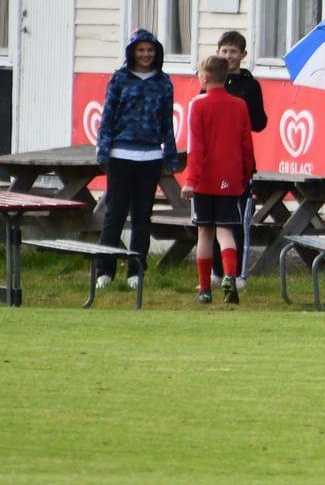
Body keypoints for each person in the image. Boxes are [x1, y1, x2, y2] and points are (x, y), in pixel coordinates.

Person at [94, 29, 178, 291]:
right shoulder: (119, 79)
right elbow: (108, 116)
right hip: (121, 154)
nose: (145, 55)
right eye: (140, 50)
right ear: (132, 52)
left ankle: (136, 271)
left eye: (150, 50)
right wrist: (103, 149)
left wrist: (170, 154)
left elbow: (167, 122)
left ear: (157, 53)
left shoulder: (164, 82)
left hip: (151, 156)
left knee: (142, 216)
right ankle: (105, 271)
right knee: (115, 214)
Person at [181, 56, 256, 305]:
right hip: (230, 178)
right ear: (226, 77)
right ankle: (230, 277)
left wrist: (190, 180)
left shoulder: (197, 105)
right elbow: (247, 144)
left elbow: (196, 148)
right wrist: (245, 174)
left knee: (204, 233)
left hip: (204, 180)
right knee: (226, 232)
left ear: (203, 77)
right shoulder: (239, 105)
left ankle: (204, 289)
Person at [208, 30, 266, 292]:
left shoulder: (250, 85)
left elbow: (259, 123)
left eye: (233, 51)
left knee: (238, 219)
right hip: (213, 161)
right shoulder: (209, 82)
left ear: (242, 55)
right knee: (211, 219)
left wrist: (241, 110)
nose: (228, 56)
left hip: (240, 163)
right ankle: (216, 271)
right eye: (224, 51)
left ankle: (239, 272)